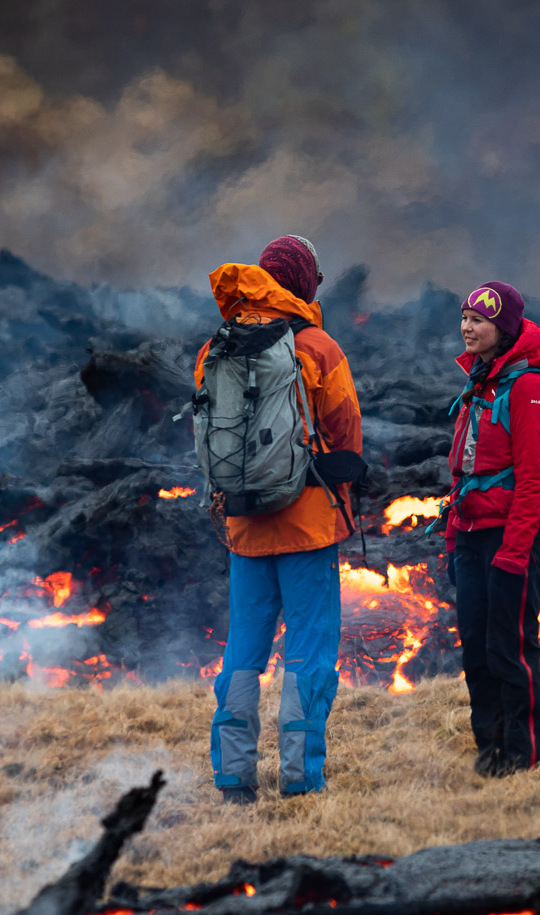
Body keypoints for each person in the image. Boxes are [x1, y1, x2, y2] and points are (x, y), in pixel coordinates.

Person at [199, 236, 362, 804]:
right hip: (308, 526)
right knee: (308, 656)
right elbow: (345, 435)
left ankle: (233, 779)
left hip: (243, 529)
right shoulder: (318, 347)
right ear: (307, 282)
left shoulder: (216, 347)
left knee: (243, 655)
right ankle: (301, 778)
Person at [444, 281, 540, 776]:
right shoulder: (479, 383)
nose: (468, 327)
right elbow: (462, 473)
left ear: (503, 327)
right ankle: (490, 752)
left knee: (510, 650)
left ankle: (526, 757)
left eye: (479, 320)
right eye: (465, 317)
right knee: (476, 649)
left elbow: (534, 479)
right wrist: (453, 539)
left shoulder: (529, 387)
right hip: (471, 535)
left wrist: (514, 554)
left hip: (513, 538)